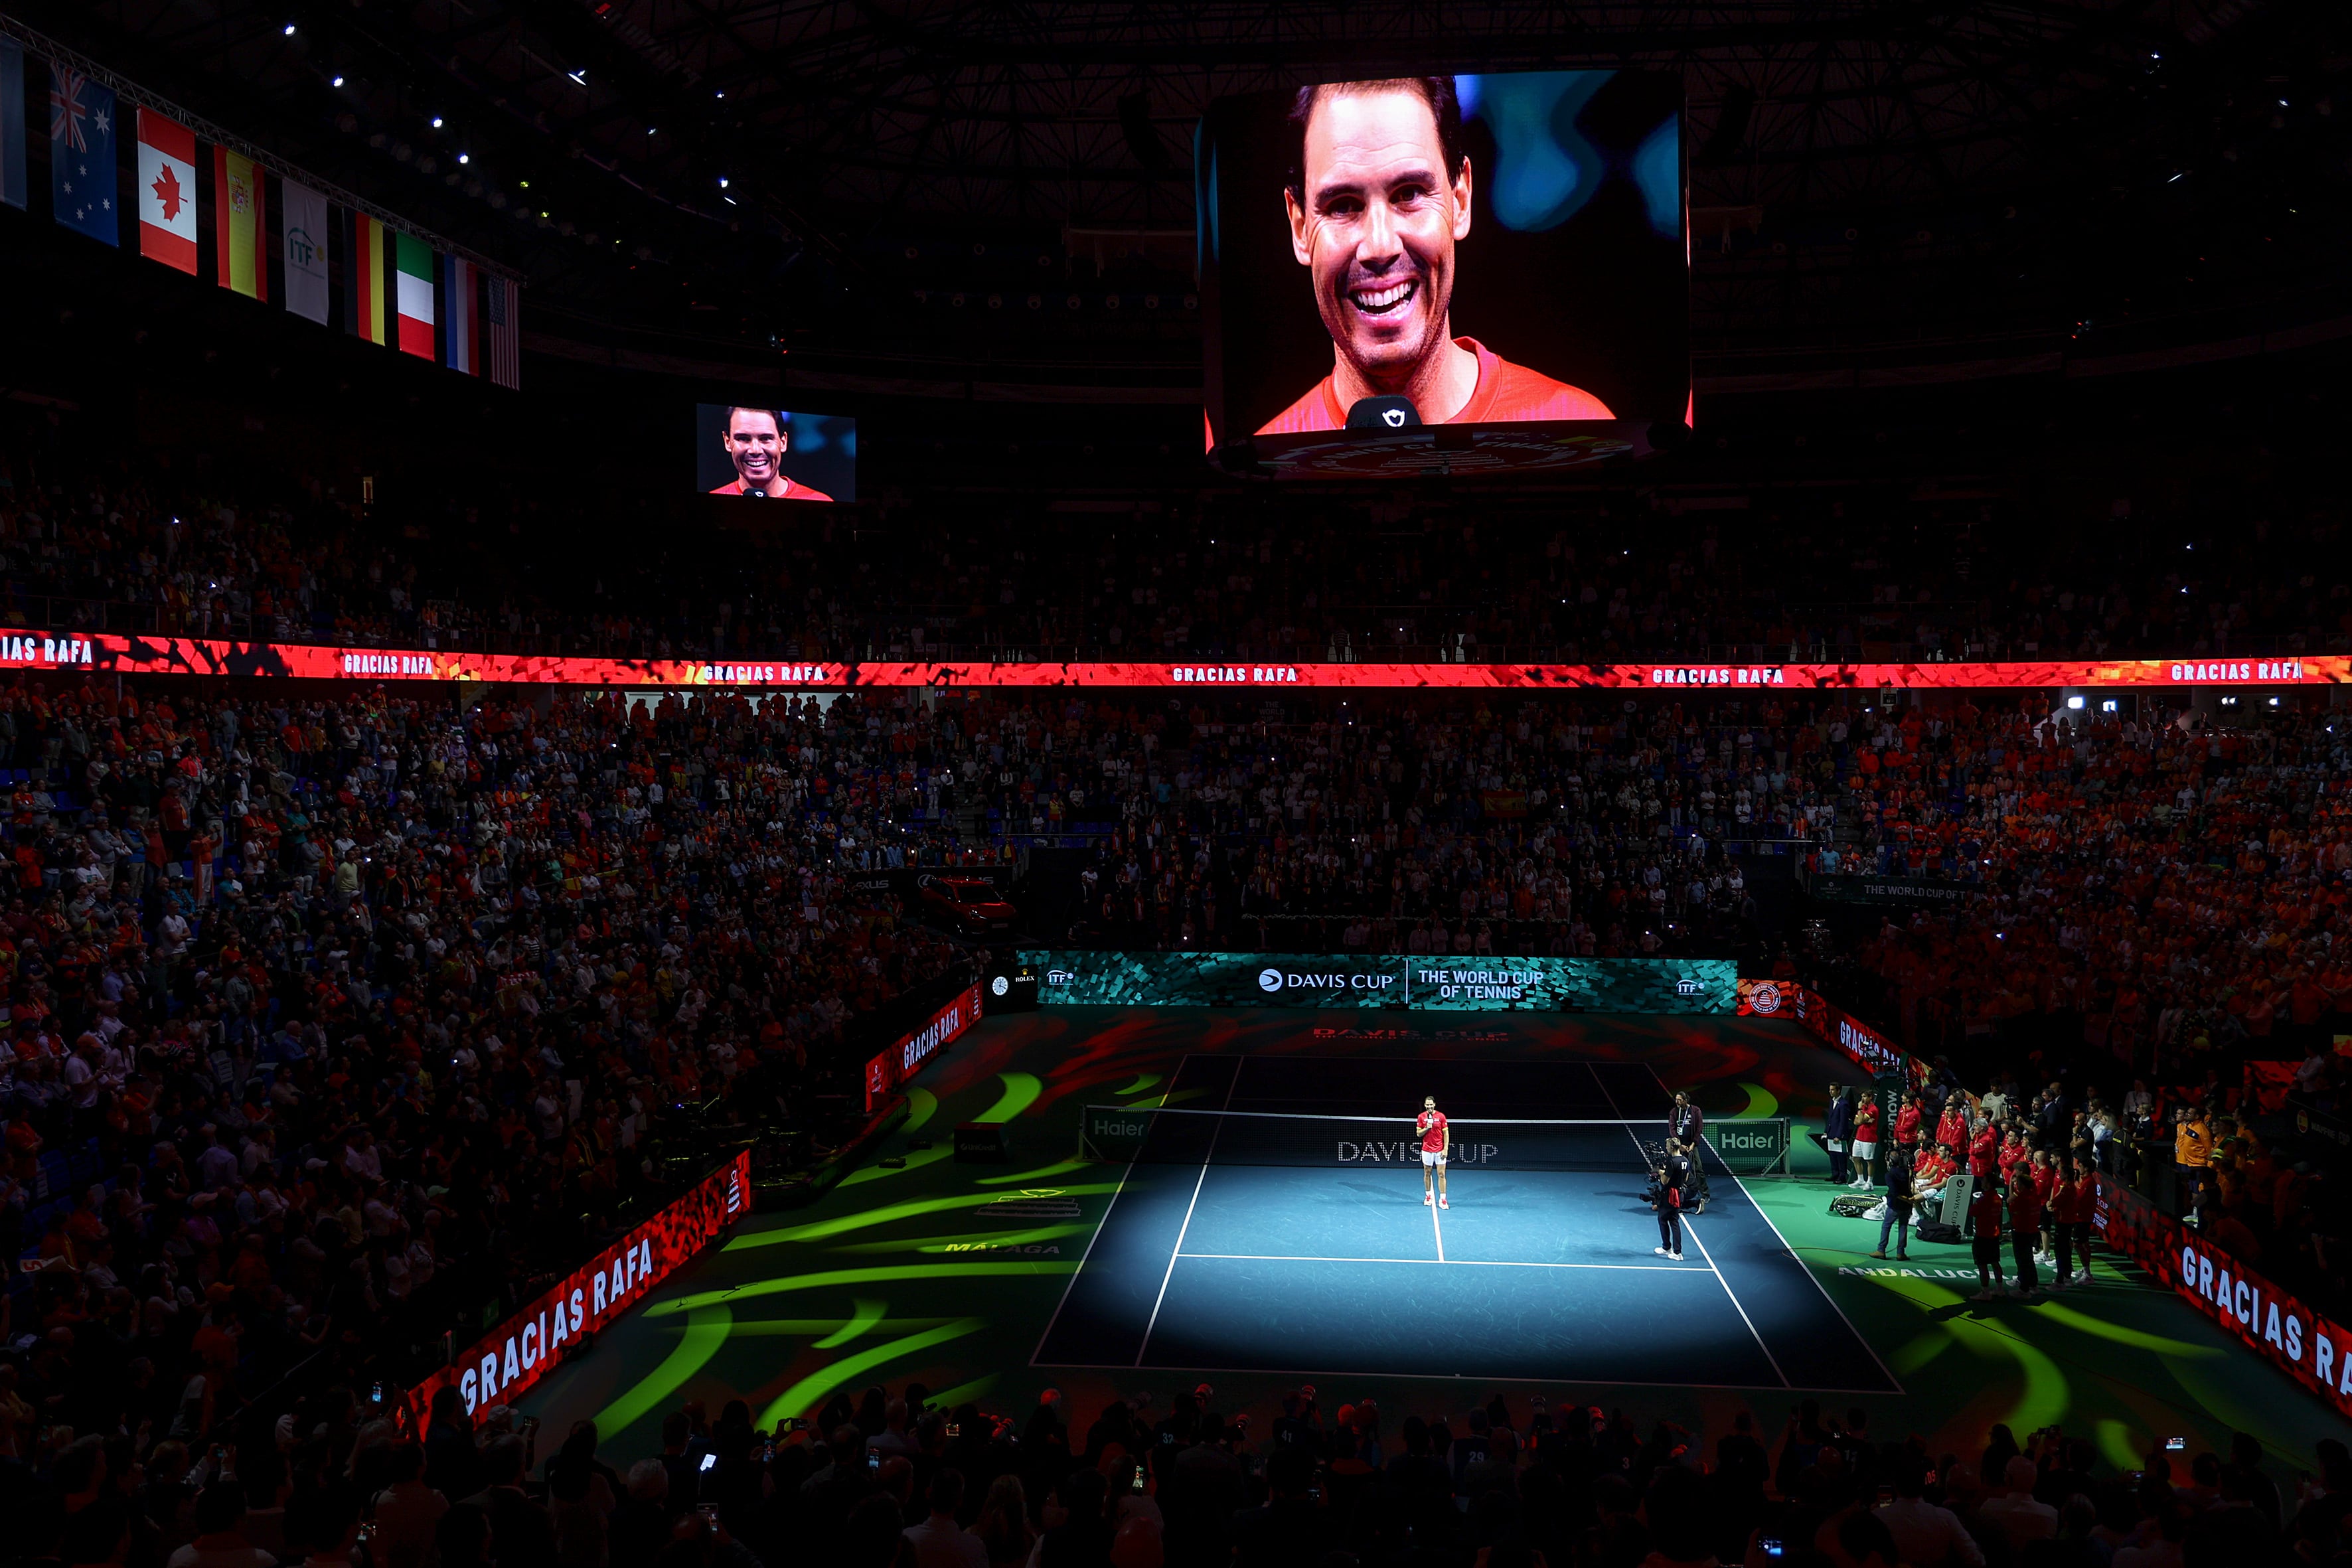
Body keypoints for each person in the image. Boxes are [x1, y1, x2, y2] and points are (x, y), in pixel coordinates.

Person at [1258, 77, 1615, 435]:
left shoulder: (1578, 432)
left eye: (1409, 193)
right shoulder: (1266, 465)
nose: (1380, 247)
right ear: (1300, 227)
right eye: (1343, 206)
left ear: (1460, 200)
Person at [708, 407, 834, 501]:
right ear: (727, 441)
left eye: (766, 438)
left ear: (783, 442)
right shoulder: (709, 504)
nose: (755, 450)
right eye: (743, 438)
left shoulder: (818, 502)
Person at [1870, 1140, 1916, 1261]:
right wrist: (1909, 1200)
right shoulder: (1906, 1171)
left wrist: (1905, 1199)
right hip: (1907, 1206)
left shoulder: (1889, 1175)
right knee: (1903, 1227)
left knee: (1886, 1226)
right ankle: (1901, 1253)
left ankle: (1881, 1250)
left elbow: (1895, 1193)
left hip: (1895, 1205)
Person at [1969, 1174, 2009, 1301]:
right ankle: (2000, 1289)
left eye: (1984, 1180)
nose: (1982, 1182)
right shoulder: (1998, 1198)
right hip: (1994, 1235)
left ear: (1988, 1184)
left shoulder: (1985, 1200)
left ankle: (1985, 1292)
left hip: (1983, 1235)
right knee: (1995, 1262)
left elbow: (1973, 1212)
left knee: (1982, 1265)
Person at [2006, 1169, 2043, 1300]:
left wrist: (2011, 1186)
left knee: (2022, 1261)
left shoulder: (2022, 1197)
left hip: (2021, 1231)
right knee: (2028, 1259)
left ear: (2021, 1185)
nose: (2016, 1185)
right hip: (2032, 1231)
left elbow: (2010, 1202)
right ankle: (2033, 1286)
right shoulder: (2034, 1195)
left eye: (2017, 1184)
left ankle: (2024, 1290)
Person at [1418, 1095, 1450, 1210]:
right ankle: (1428, 1196)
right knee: (1427, 1173)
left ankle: (1443, 1199)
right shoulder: (1421, 1117)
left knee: (1441, 1174)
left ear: (1434, 1105)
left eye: (1431, 1104)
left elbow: (1446, 1134)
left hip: (1439, 1150)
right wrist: (1427, 1128)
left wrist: (1445, 1148)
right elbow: (1419, 1134)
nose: (1429, 1106)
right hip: (1427, 1150)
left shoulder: (1441, 1116)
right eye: (1427, 1104)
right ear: (1425, 1105)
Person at [1824, 1084, 1855, 1185]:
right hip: (1831, 1133)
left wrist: (1839, 1135)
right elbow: (1830, 1118)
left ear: (1839, 1091)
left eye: (1832, 1090)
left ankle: (1842, 1176)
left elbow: (1843, 1121)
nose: (1830, 1092)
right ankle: (1835, 1174)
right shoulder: (1832, 1102)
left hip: (1839, 1135)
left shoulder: (1844, 1104)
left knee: (1840, 1156)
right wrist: (1826, 1131)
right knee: (1832, 1155)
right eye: (1830, 1090)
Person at [1850, 1091, 1881, 1191]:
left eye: (1864, 1097)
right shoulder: (1864, 1108)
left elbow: (1861, 1121)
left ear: (1870, 1097)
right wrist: (1864, 1120)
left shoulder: (1873, 1109)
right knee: (1856, 1158)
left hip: (1869, 1139)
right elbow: (1856, 1122)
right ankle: (1861, 1180)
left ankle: (1870, 1182)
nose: (1862, 1099)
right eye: (1862, 1096)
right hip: (1859, 1138)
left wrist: (1860, 1111)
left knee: (1869, 1161)